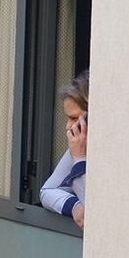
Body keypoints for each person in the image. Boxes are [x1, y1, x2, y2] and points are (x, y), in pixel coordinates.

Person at [40, 70, 88, 229]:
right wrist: (74, 206)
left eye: (74, 118)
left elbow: (93, 207)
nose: (68, 126)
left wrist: (79, 159)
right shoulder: (79, 146)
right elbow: (47, 191)